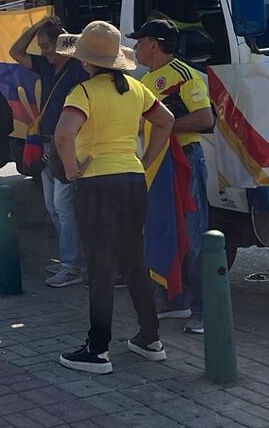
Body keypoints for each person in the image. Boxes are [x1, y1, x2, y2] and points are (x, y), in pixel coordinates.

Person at [53, 20, 175, 375]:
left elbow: (64, 135)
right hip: (132, 180)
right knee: (134, 263)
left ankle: (98, 349)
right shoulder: (136, 88)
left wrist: (71, 170)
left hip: (96, 184)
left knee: (101, 269)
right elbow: (166, 121)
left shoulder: (83, 92)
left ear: (86, 61)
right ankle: (150, 339)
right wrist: (145, 161)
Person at [129, 19, 214, 334]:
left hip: (184, 162)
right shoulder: (146, 79)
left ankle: (205, 309)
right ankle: (172, 299)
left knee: (193, 236)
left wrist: (164, 126)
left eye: (140, 41)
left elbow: (205, 118)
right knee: (163, 231)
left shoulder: (184, 75)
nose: (136, 47)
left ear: (154, 44)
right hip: (157, 164)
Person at [9, 16, 90, 289]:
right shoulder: (45, 66)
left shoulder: (79, 69)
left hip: (66, 144)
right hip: (45, 144)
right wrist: (35, 27)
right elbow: (15, 52)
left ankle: (72, 265)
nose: (44, 52)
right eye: (41, 47)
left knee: (64, 206)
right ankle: (71, 257)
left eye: (47, 47)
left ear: (63, 45)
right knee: (52, 206)